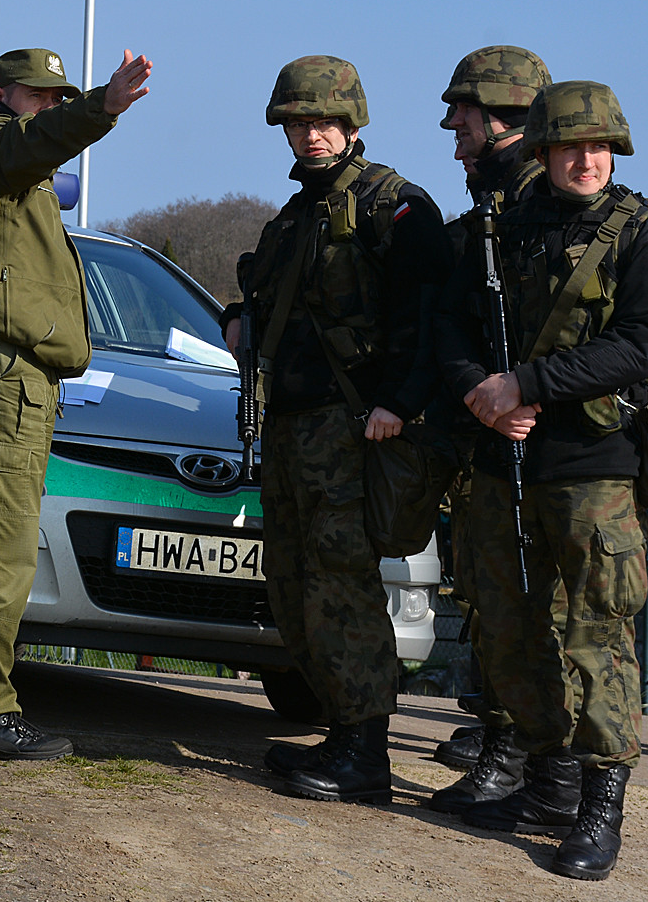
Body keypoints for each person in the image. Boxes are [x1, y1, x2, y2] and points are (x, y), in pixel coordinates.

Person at [439, 80, 648, 880]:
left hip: (594, 467)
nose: (587, 159)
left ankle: (600, 801)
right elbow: (450, 329)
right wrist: (483, 389)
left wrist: (527, 384)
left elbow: (640, 344)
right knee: (508, 630)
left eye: (600, 146)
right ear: (541, 150)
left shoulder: (645, 229)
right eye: (572, 146)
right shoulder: (499, 229)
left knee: (597, 637)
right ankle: (547, 779)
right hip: (501, 460)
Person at [222, 56, 452, 802]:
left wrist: (398, 402)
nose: (311, 134)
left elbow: (427, 320)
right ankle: (343, 733)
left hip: (355, 430)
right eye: (298, 122)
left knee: (342, 588)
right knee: (292, 585)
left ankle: (366, 753)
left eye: (324, 121)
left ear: (352, 124)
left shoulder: (396, 205)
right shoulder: (293, 217)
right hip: (291, 432)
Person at [0, 46, 154, 760]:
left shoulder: (21, 174)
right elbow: (29, 142)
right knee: (2, 549)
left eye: (60, 97)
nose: (50, 107)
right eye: (38, 95)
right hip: (2, 367)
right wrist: (99, 108)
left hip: (21, 373)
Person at [426, 45, 573, 813]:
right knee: (495, 594)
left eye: (464, 110)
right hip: (495, 424)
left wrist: (519, 393)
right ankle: (506, 746)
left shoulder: (534, 205)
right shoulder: (494, 204)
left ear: (501, 113)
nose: (452, 124)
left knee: (527, 602)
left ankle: (526, 756)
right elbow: (458, 322)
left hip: (548, 439)